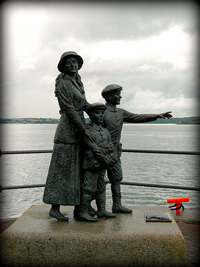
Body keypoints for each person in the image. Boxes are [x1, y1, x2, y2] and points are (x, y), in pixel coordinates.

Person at [43, 52, 107, 221]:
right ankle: (54, 207)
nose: (72, 65)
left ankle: (82, 206)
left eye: (74, 62)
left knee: (78, 169)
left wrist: (97, 107)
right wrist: (84, 129)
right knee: (62, 169)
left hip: (77, 130)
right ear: (63, 66)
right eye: (68, 63)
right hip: (67, 131)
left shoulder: (78, 83)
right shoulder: (64, 83)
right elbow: (70, 110)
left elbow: (83, 105)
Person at [101, 84, 172, 214]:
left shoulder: (120, 112)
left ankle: (117, 205)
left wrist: (156, 116)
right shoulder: (101, 111)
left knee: (117, 178)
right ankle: (99, 208)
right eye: (117, 94)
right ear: (109, 96)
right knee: (98, 180)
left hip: (115, 151)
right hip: (100, 151)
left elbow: (137, 117)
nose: (120, 96)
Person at [78, 103, 118, 222]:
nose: (101, 115)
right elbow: (89, 147)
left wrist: (111, 157)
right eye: (97, 113)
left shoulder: (105, 131)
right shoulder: (88, 131)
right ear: (90, 115)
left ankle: (101, 210)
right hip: (91, 164)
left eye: (102, 113)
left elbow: (110, 145)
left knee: (101, 187)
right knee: (88, 188)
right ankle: (83, 211)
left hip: (103, 164)